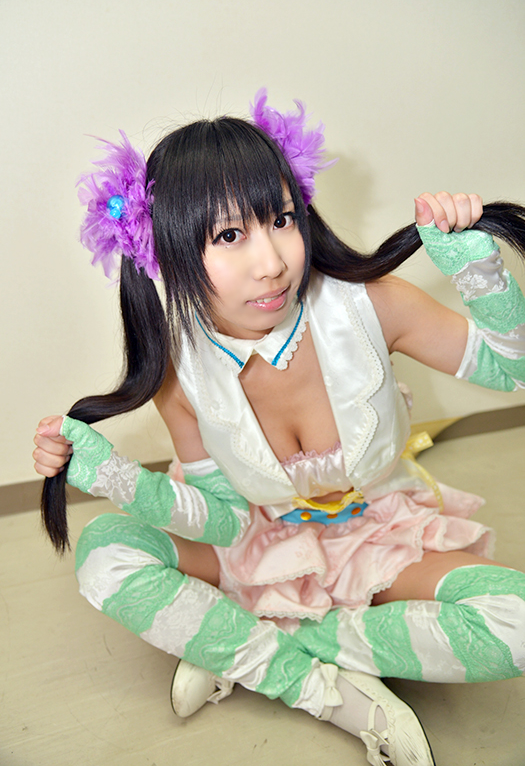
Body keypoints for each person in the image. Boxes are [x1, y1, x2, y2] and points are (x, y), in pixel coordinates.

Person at [33, 90, 525, 766]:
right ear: (168, 251)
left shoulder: (370, 306)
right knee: (105, 552)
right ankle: (325, 692)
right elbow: (223, 520)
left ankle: (249, 642)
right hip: (252, 543)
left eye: (281, 219)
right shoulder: (178, 368)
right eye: (229, 236)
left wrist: (476, 268)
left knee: (515, 622)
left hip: (374, 532)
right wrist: (114, 476)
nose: (271, 262)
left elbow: (511, 368)